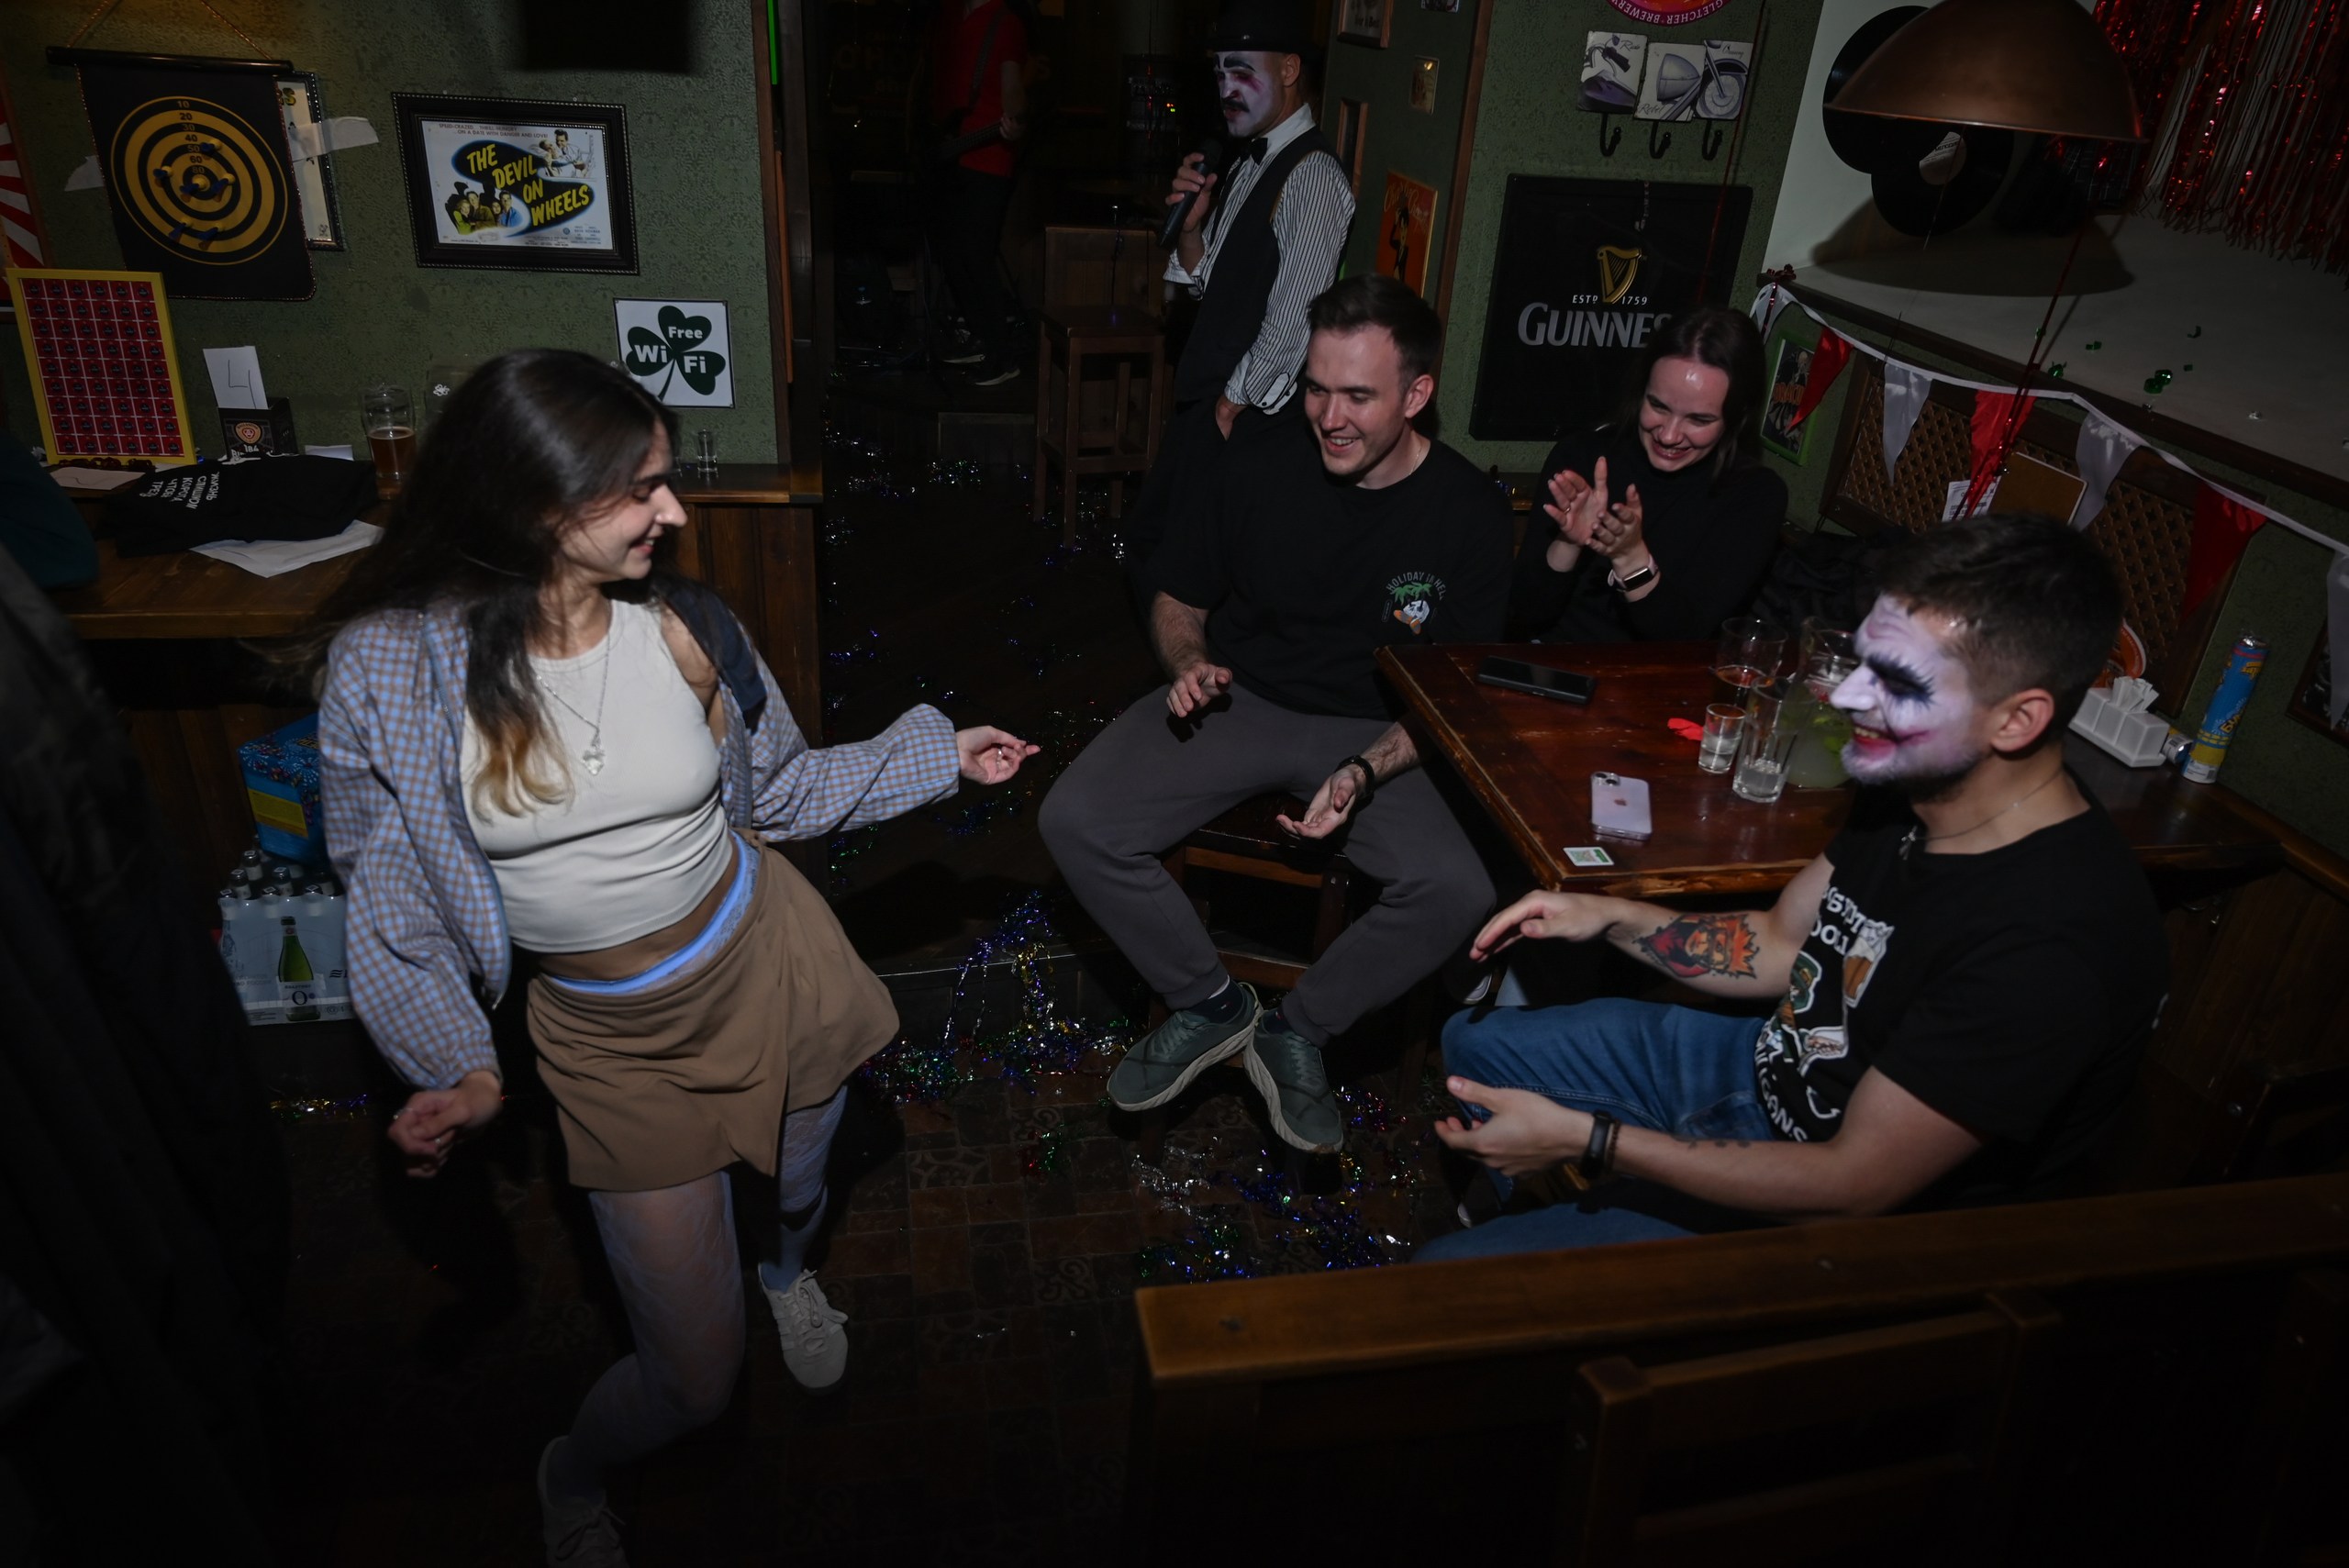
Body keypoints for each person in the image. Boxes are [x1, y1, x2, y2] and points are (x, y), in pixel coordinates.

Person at [307, 350, 1037, 1564]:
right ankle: (573, 1470)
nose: (677, 512)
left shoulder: (687, 627)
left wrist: (935, 756)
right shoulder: (391, 670)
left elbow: (781, 790)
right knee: (694, 1378)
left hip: (773, 960)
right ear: (534, 498)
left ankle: (788, 1271)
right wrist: (460, 1065)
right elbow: (391, 894)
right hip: (612, 1044)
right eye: (641, 487)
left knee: (798, 1193)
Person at [1422, 514, 2165, 1258]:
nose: (1845, 698)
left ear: (2018, 720)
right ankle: (1528, 1215)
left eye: (1896, 680)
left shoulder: (2051, 941)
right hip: (1769, 1071)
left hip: (1853, 1223)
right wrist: (1610, 915)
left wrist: (1595, 1140)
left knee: (1443, 1277)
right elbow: (1780, 943)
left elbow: (1853, 1187)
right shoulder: (1915, 783)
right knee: (1476, 1043)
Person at [1041, 276, 1509, 1152]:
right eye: (1316, 388)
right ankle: (1210, 1003)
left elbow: (1453, 695)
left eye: (1358, 396)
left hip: (1383, 726)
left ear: (1416, 394)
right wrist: (1189, 663)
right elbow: (1178, 595)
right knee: (1075, 818)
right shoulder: (1257, 460)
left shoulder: (1470, 514)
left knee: (1459, 887)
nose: (1329, 416)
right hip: (1241, 696)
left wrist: (1366, 769)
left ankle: (1299, 1030)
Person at [1126, 0, 1353, 583]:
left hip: (1248, 416)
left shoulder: (1313, 177)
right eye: (1219, 72)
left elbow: (1296, 322)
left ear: (1289, 69)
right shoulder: (1247, 160)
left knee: (1191, 569)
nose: (1227, 88)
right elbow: (1210, 283)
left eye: (1242, 70)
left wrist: (1230, 407)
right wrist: (1192, 228)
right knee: (1159, 549)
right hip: (1209, 400)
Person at [1507, 306, 1786, 643]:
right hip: (1551, 663)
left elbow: (1685, 638)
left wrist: (1630, 558)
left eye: (1699, 420)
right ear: (1642, 392)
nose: (1668, 435)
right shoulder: (1582, 457)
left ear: (1737, 416)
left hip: (1659, 673)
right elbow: (1524, 614)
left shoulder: (1754, 494)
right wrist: (1568, 543)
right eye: (1658, 406)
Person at [929, 0, 1030, 388]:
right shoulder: (953, 16)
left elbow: (1013, 86)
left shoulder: (1004, 21)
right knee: (953, 253)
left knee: (975, 254)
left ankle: (1002, 356)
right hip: (954, 155)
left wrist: (1015, 119)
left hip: (988, 159)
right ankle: (984, 339)